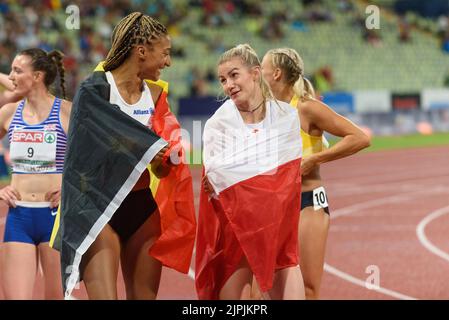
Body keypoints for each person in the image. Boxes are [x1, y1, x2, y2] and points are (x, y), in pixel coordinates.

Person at [50, 12, 196, 300]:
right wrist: (151, 147)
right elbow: (87, 151)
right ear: (142, 51)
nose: (168, 62)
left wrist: (170, 157)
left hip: (143, 209)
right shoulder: (95, 90)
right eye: (164, 54)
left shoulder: (154, 95)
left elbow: (160, 167)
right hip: (98, 209)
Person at [195, 44, 305, 300]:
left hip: (276, 221)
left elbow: (286, 174)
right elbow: (216, 176)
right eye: (223, 80)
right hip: (235, 226)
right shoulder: (218, 124)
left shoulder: (285, 116)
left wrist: (247, 174)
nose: (228, 85)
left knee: (287, 267)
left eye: (234, 75)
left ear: (255, 73)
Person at [260, 47, 371, 299]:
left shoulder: (307, 108)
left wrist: (314, 159)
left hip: (307, 202)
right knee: (268, 287)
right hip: (273, 206)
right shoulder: (263, 110)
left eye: (262, 67)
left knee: (308, 287)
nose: (258, 72)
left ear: (276, 73)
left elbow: (360, 138)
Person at [0, 48, 71, 299]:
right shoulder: (9, 113)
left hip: (56, 218)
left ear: (38, 76)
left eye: (18, 70)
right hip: (18, 216)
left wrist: (72, 190)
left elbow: (97, 160)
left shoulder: (67, 113)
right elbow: (9, 83)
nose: (11, 76)